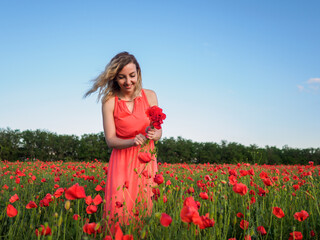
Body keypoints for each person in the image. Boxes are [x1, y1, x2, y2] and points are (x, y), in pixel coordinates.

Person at [85, 52, 162, 228]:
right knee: (119, 210)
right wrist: (132, 141)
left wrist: (155, 134)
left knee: (144, 210)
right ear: (115, 78)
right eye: (122, 77)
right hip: (121, 161)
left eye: (132, 76)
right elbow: (110, 140)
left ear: (138, 73)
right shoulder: (109, 101)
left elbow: (158, 130)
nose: (128, 82)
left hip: (146, 162)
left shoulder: (150, 96)